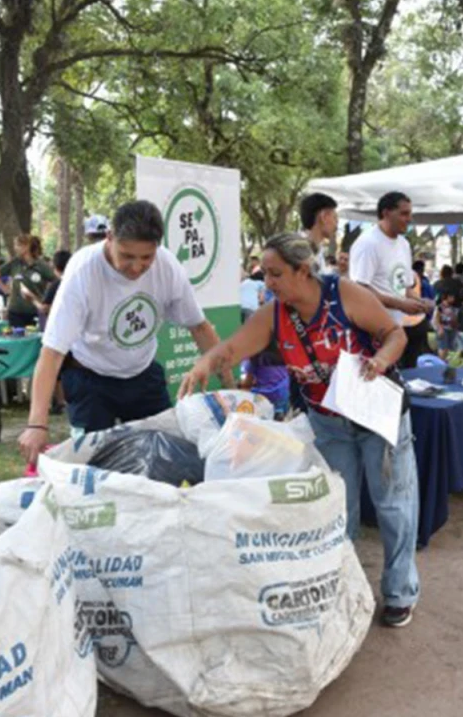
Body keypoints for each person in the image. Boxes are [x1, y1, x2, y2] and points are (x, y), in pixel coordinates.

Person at [178, 233, 420, 628]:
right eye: (265, 273)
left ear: (302, 271)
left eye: (275, 273)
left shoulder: (344, 295)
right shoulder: (275, 314)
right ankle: (346, 587)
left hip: (377, 416)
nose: (267, 281)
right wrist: (206, 363)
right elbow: (233, 348)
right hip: (329, 423)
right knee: (340, 508)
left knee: (393, 504)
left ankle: (399, 592)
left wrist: (378, 360)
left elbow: (396, 335)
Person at [17, 200, 234, 461]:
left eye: (146, 257)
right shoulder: (83, 271)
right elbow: (52, 352)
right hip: (90, 378)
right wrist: (37, 424)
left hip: (142, 375)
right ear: (110, 238)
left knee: (166, 456)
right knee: (95, 464)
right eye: (128, 256)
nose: (136, 267)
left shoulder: (168, 266)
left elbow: (199, 327)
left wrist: (229, 391)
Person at [348, 191, 432, 369]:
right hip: (371, 333)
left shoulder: (404, 244)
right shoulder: (368, 243)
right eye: (403, 213)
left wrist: (419, 301)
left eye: (410, 213)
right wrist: (400, 304)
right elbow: (360, 289)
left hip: (396, 331)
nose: (409, 219)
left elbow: (403, 286)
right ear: (386, 213)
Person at [0, 235, 56, 329]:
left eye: (17, 245)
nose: (15, 248)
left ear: (26, 247)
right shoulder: (15, 262)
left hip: (35, 311)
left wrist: (47, 300)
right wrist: (6, 290)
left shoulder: (41, 265)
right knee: (17, 340)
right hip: (15, 312)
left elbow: (55, 282)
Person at [299, 192, 338, 270]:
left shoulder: (317, 249)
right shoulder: (300, 252)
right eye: (335, 218)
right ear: (324, 217)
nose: (336, 225)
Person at [39, 250, 70, 333]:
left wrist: (31, 298)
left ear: (54, 266)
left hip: (58, 328)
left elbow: (44, 308)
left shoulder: (56, 284)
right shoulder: (78, 281)